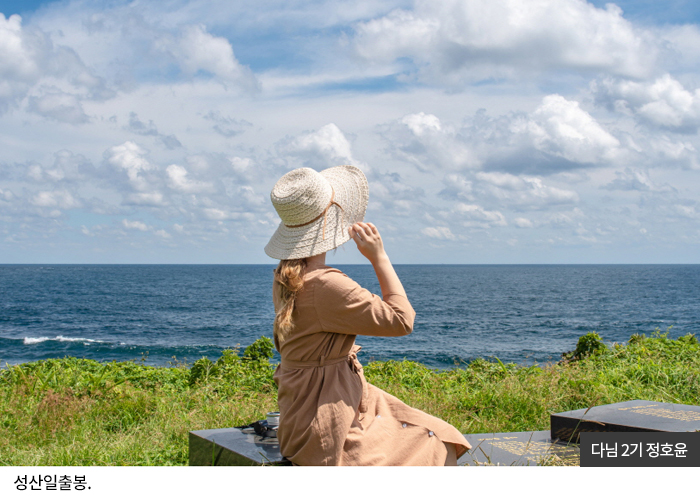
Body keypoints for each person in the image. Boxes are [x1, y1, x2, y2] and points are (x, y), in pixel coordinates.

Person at [264, 165, 471, 466]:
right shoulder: (325, 283)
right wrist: (379, 257)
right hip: (328, 421)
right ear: (328, 225)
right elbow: (402, 320)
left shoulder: (285, 276)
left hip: (304, 412)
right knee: (438, 439)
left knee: (421, 425)